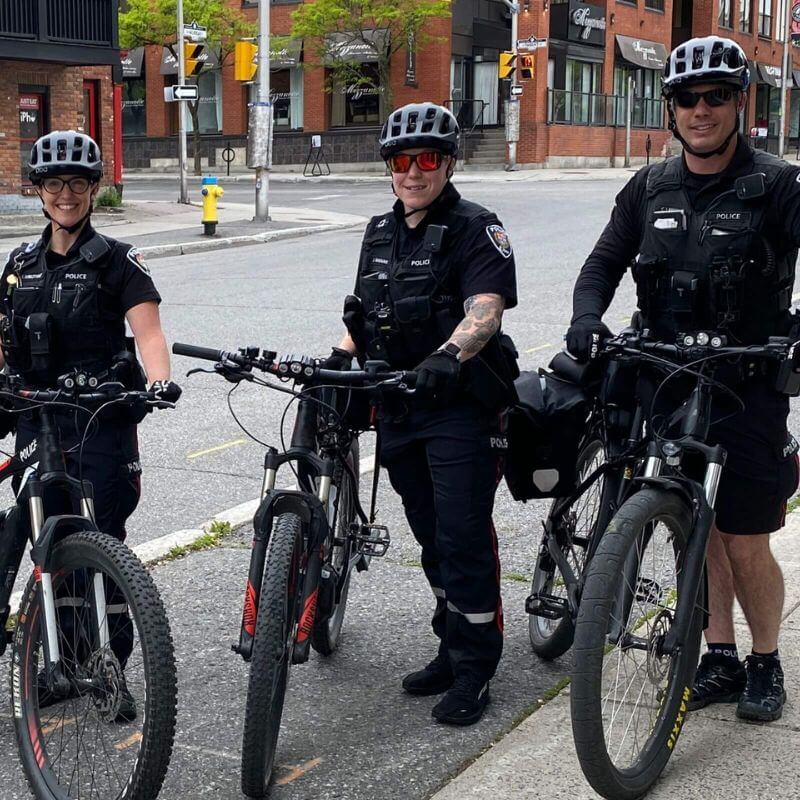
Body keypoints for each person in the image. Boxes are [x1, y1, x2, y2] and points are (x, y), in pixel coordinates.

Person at [565, 37, 798, 723]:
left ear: (737, 102)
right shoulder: (649, 186)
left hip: (745, 384)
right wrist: (585, 317)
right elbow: (601, 264)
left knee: (744, 536)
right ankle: (717, 654)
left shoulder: (779, 185)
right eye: (687, 98)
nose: (701, 110)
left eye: (716, 96)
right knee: (696, 520)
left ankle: (764, 659)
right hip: (664, 380)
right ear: (671, 108)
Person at [324, 102, 519, 726]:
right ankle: (450, 639)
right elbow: (369, 318)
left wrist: (448, 354)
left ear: (448, 162)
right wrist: (338, 357)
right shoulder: (379, 232)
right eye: (401, 160)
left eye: (426, 159)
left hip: (459, 405)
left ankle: (475, 666)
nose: (413, 172)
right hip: (399, 405)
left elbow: (485, 309)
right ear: (389, 167)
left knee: (462, 532)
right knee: (429, 530)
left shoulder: (476, 227)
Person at [0, 130, 181, 718]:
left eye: (77, 183)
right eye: (54, 184)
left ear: (94, 189)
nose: (66, 194)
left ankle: (109, 668)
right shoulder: (19, 265)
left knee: (102, 544)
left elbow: (149, 332)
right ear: (39, 192)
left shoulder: (118, 261)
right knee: (47, 544)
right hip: (37, 420)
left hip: (99, 421)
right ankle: (60, 663)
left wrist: (158, 381)